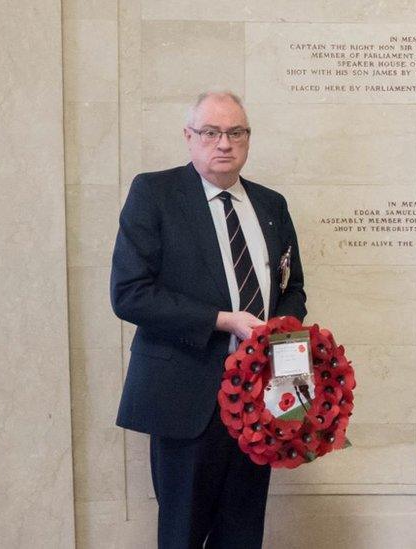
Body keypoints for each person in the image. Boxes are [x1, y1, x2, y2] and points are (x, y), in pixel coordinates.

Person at [111, 90, 306, 548]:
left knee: (242, 533)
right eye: (211, 132)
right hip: (187, 396)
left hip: (260, 399)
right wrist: (223, 320)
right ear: (189, 137)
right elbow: (129, 294)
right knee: (182, 534)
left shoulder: (271, 204)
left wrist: (284, 354)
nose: (224, 143)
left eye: (235, 132)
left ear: (248, 139)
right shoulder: (154, 193)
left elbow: (292, 288)